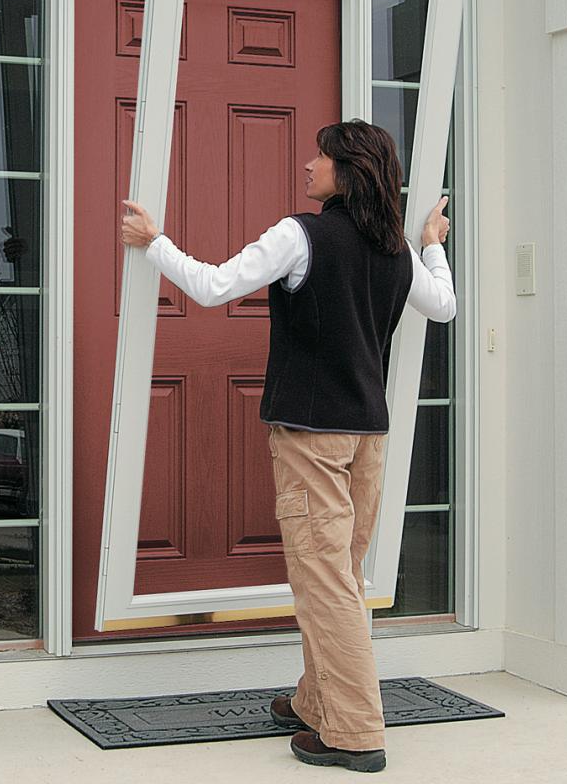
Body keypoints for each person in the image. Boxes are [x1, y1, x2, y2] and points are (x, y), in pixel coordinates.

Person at [120, 118, 456, 773]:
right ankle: (314, 701)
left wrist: (154, 241)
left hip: (312, 438)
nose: (308, 165)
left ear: (346, 170)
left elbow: (214, 286)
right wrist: (432, 243)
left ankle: (355, 734)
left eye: (321, 157)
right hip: (368, 440)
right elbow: (443, 305)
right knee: (338, 580)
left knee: (325, 587)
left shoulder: (300, 235)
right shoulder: (396, 251)